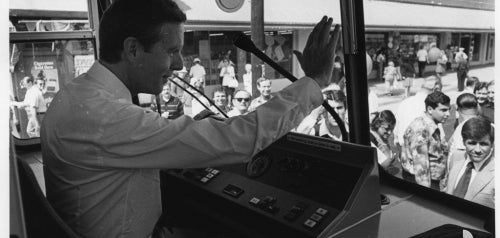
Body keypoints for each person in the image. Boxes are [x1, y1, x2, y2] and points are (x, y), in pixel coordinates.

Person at [40, 1, 341, 236]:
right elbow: (237, 140)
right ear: (133, 49)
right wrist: (313, 81)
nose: (180, 64)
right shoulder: (105, 117)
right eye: (171, 51)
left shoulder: (79, 94)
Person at [401, 91, 450, 190]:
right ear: (430, 109)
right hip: (424, 182)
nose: (448, 114)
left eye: (449, 110)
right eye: (443, 110)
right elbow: (421, 169)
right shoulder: (421, 130)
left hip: (432, 179)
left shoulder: (430, 124)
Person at [443, 117, 494, 208]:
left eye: (483, 144)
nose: (477, 150)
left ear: (492, 144)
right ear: (463, 142)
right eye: (472, 143)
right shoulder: (456, 157)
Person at [394, 76, 439, 149]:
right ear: (436, 89)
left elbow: (396, 129)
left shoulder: (404, 102)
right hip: (421, 149)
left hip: (403, 147)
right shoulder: (431, 106)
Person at [370, 110, 399, 176]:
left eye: (392, 129)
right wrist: (389, 159)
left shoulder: (380, 137)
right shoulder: (371, 138)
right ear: (377, 124)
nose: (390, 132)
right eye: (386, 128)